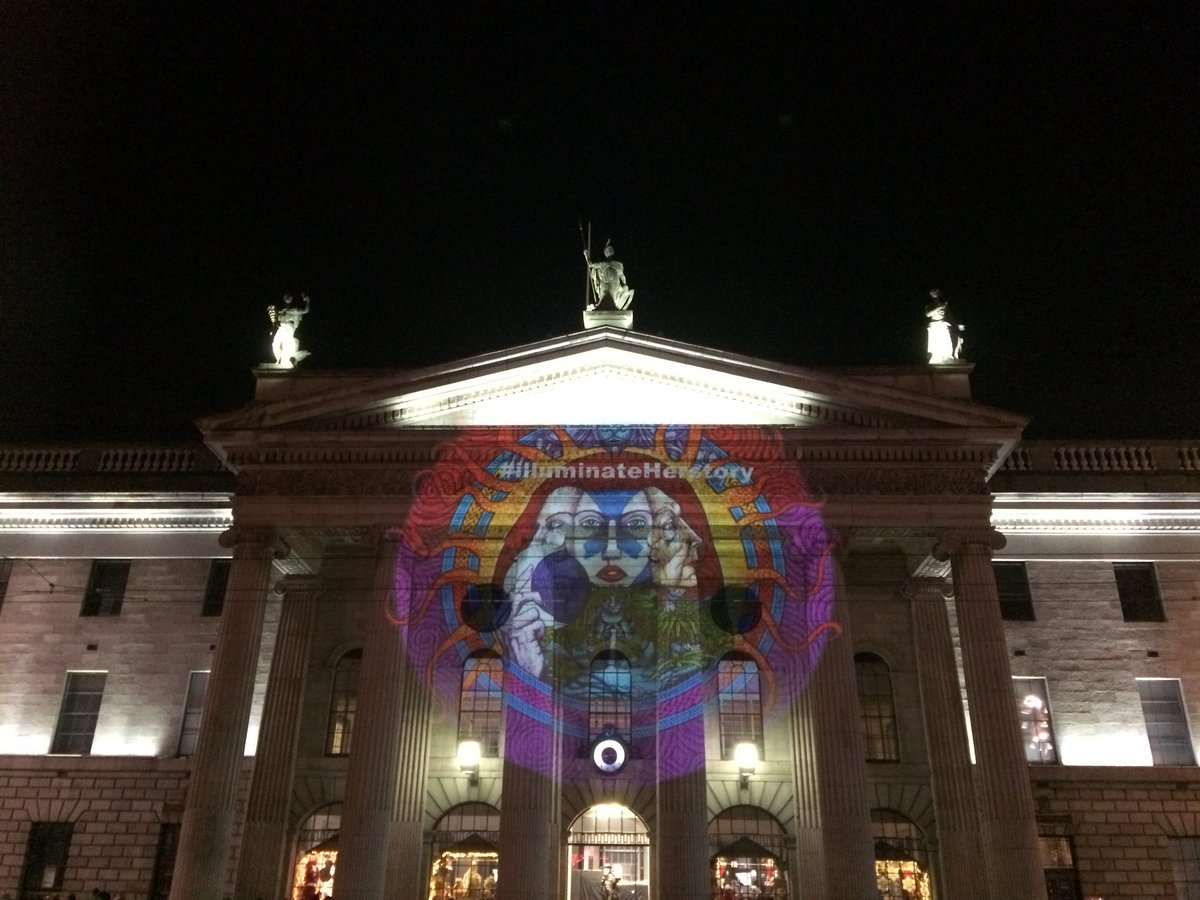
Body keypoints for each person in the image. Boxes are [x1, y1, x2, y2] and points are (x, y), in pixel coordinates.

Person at [585, 241, 635, 310]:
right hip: (605, 282)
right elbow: (591, 265)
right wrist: (586, 255)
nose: (609, 257)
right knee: (603, 295)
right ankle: (601, 306)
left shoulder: (617, 264)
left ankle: (610, 307)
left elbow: (622, 275)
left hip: (614, 283)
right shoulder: (603, 264)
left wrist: (625, 284)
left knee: (611, 296)